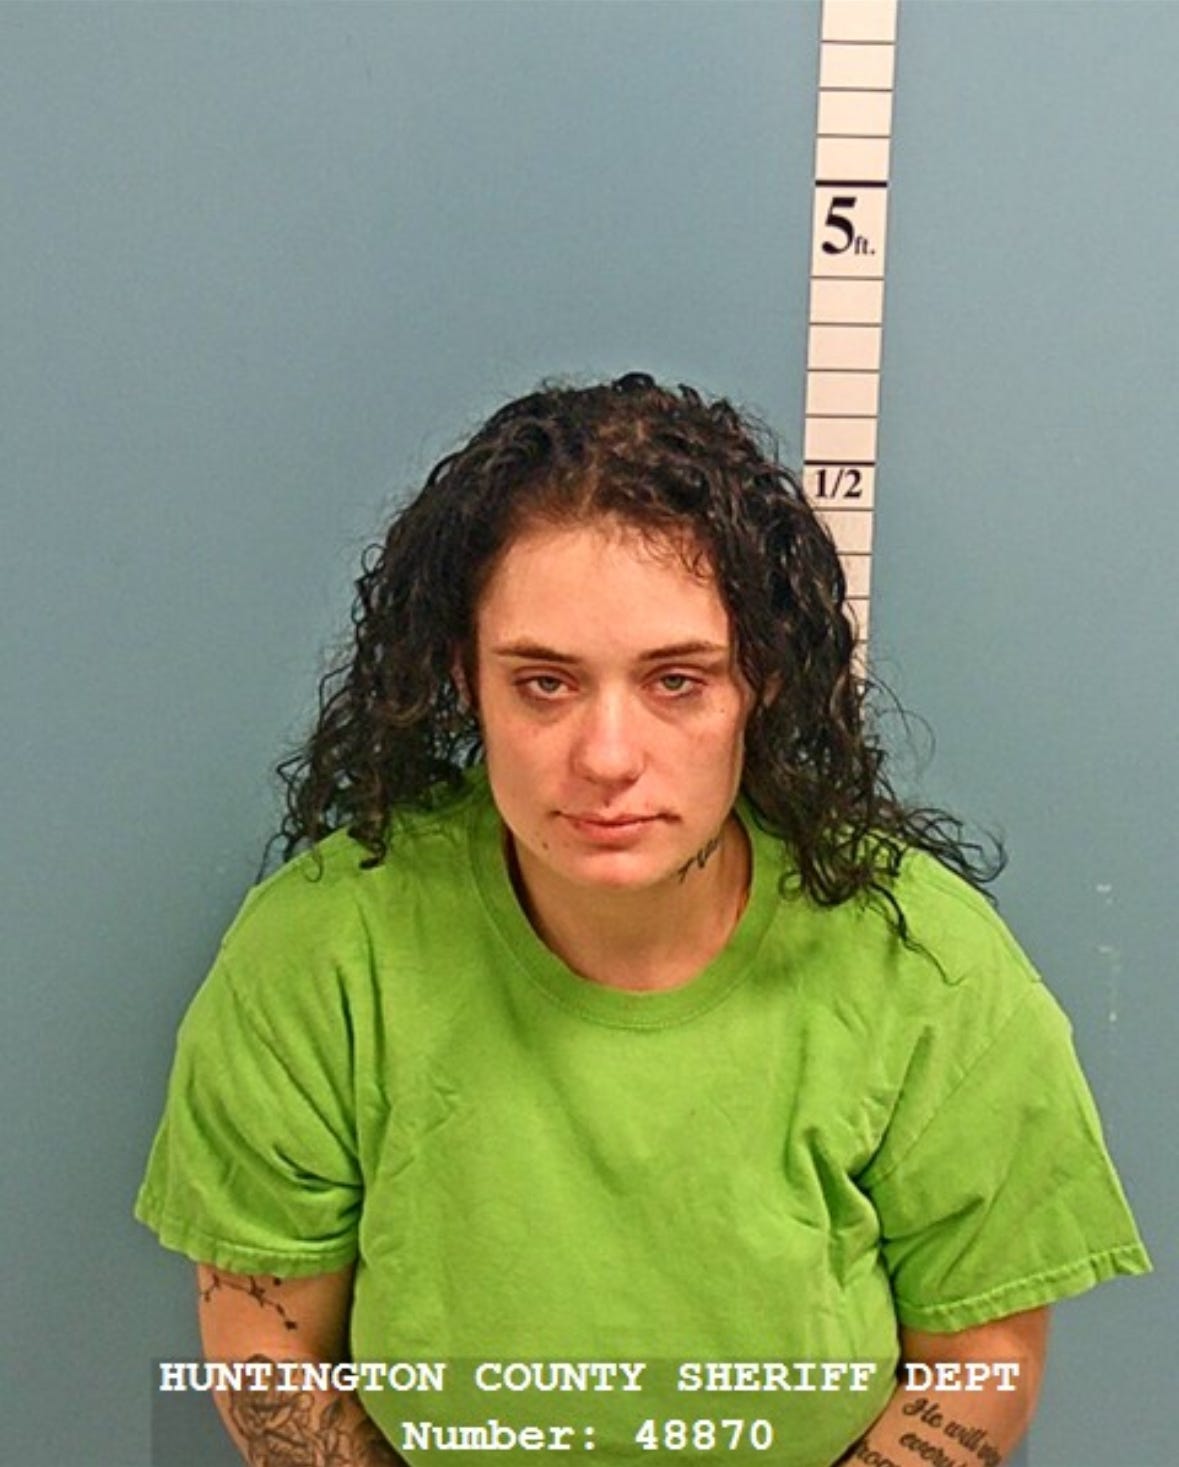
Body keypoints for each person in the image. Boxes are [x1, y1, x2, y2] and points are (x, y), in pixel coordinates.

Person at [136, 371, 1150, 1466]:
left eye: (676, 682)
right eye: (544, 683)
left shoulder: (926, 965)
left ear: (761, 680)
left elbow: (981, 1357)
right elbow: (268, 1351)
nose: (608, 757)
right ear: (463, 679)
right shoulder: (321, 950)